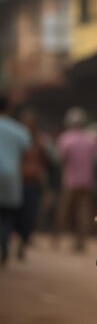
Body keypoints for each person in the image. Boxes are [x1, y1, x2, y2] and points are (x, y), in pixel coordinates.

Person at [54, 107, 97, 252]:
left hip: (70, 181)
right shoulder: (91, 139)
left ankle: (57, 238)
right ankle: (80, 242)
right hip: (86, 181)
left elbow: (61, 159)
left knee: (64, 210)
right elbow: (95, 157)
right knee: (83, 212)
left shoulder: (65, 138)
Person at [15, 110, 52, 260]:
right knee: (17, 213)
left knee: (29, 214)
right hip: (17, 181)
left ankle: (23, 242)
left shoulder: (40, 142)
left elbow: (46, 162)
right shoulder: (17, 139)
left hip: (33, 182)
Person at [0, 94, 31, 266]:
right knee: (7, 216)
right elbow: (27, 150)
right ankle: (4, 242)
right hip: (11, 177)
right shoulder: (18, 130)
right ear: (8, 108)